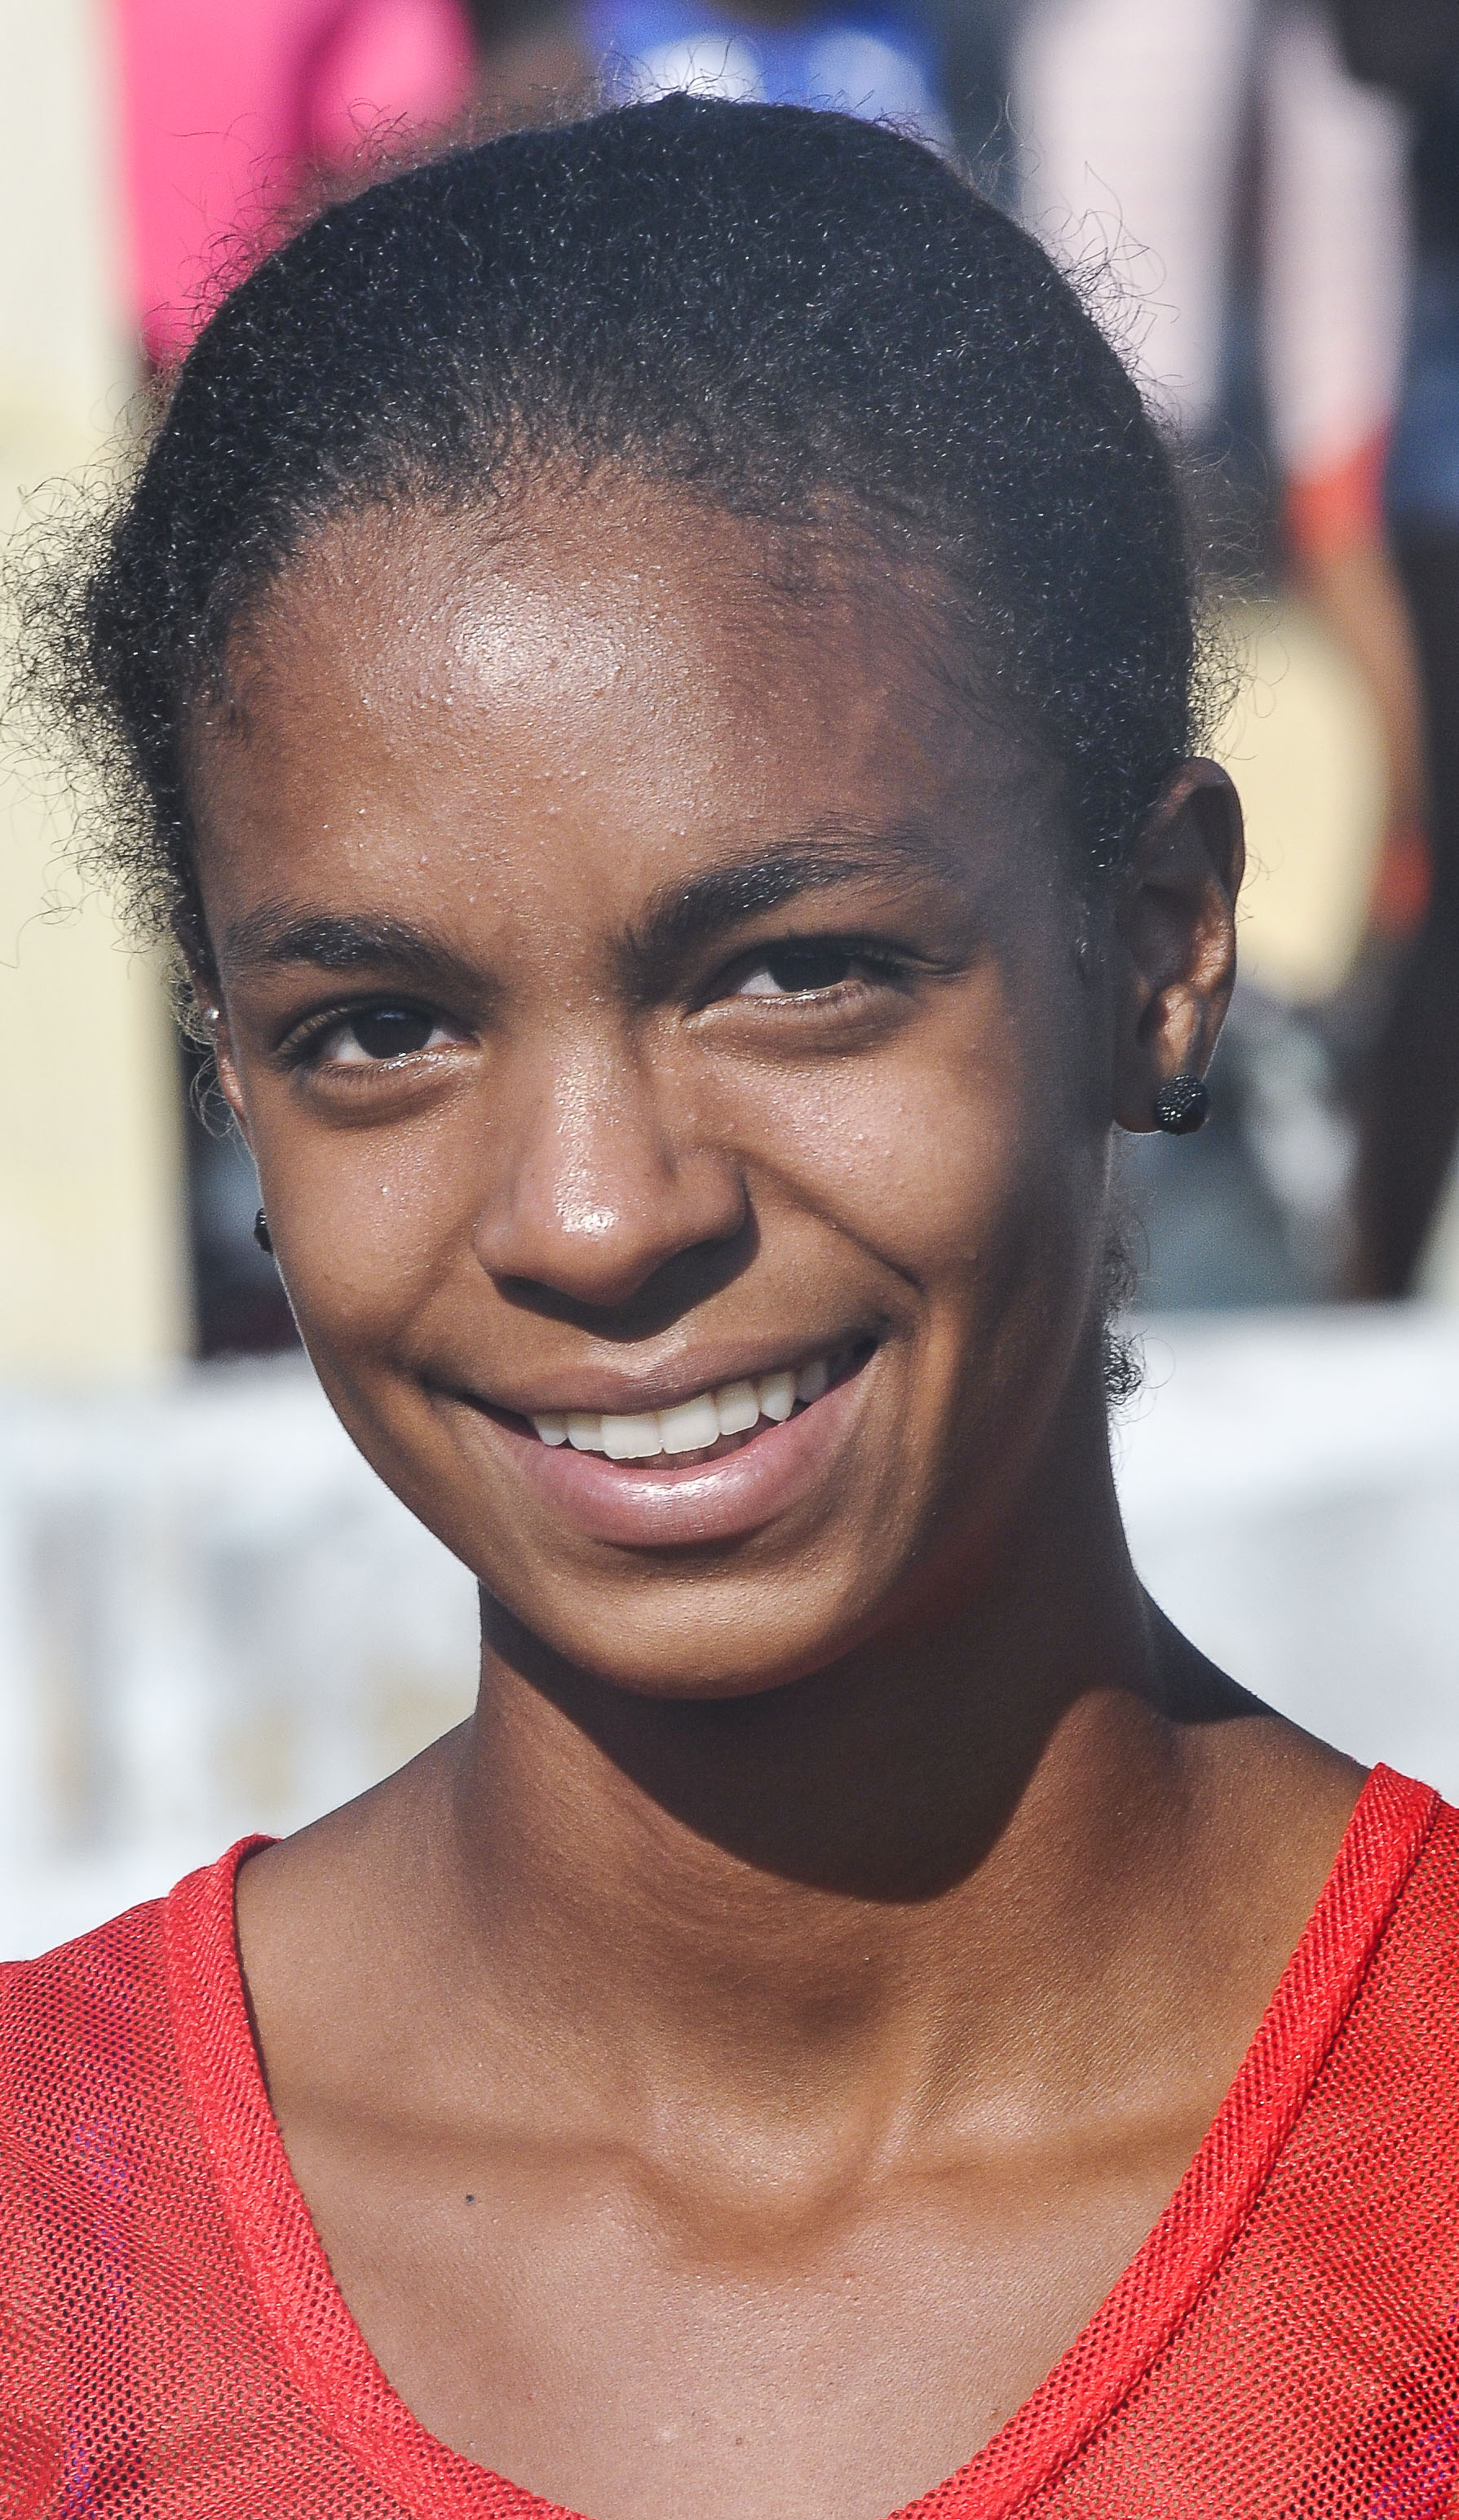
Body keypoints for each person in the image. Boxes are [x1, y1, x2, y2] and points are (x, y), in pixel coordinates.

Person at [4, 97, 1457, 2517]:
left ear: (1164, 948)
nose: (592, 1212)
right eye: (382, 1026)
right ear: (233, 1071)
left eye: (797, 973)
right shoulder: (50, 2263)